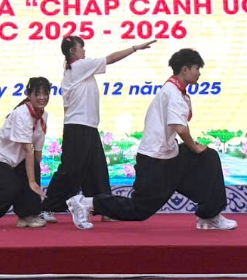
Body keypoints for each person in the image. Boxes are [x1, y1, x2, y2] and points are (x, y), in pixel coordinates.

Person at [66, 48, 237, 231]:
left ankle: (209, 216)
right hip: (155, 159)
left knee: (209, 157)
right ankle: (86, 203)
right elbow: (180, 128)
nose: (199, 73)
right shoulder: (173, 93)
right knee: (139, 209)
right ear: (185, 70)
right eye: (197, 68)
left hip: (170, 154)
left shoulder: (174, 89)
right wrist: (194, 148)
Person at [41, 37, 156, 222]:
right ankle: (47, 207)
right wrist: (135, 48)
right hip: (78, 127)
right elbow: (110, 59)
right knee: (70, 169)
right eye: (81, 47)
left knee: (97, 169)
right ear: (72, 51)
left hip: (86, 126)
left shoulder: (73, 71)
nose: (84, 50)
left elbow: (67, 106)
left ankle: (105, 209)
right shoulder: (79, 66)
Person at [0, 77, 53, 229]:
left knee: (33, 167)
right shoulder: (22, 114)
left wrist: (34, 178)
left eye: (45, 93)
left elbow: (37, 150)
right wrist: (31, 182)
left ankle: (27, 215)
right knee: (9, 188)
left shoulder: (43, 115)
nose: (42, 97)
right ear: (29, 95)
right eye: (37, 94)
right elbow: (27, 149)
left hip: (18, 160)